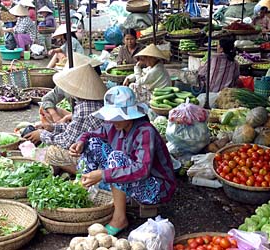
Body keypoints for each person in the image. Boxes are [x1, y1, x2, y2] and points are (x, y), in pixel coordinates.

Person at [69, 86, 176, 235]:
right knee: (92, 143)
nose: (113, 120)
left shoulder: (145, 131)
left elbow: (141, 170)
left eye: (117, 117)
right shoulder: (113, 125)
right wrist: (80, 142)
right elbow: (90, 135)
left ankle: (120, 218)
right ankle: (84, 189)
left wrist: (103, 175)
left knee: (116, 158)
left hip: (156, 187)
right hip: (129, 178)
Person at [25, 63, 107, 174]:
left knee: (52, 152)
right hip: (98, 145)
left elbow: (66, 141)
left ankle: (86, 176)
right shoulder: (93, 100)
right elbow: (75, 128)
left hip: (98, 155)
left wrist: (42, 135)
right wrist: (52, 127)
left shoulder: (85, 107)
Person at [40, 52, 103, 124]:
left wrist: (68, 117)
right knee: (45, 110)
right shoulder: (67, 84)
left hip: (87, 121)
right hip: (75, 117)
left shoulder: (97, 92)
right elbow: (46, 99)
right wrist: (54, 115)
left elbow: (88, 115)